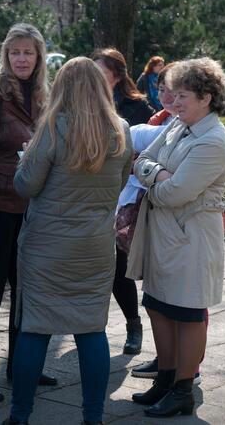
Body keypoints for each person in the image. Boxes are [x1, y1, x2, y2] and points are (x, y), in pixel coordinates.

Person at [4, 57, 133, 425]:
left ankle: (20, 416)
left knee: (35, 328)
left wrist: (23, 160)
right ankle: (92, 417)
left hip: (47, 247)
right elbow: (120, 182)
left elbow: (26, 185)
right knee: (92, 329)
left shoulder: (52, 128)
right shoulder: (120, 129)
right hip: (94, 246)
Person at [128, 58, 225, 418]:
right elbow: (141, 160)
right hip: (163, 235)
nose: (173, 102)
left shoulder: (213, 140)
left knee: (186, 314)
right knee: (158, 306)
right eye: (172, 94)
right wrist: (160, 175)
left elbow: (175, 193)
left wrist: (154, 181)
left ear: (207, 97)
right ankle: (166, 379)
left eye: (183, 95)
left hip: (191, 240)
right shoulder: (178, 126)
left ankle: (183, 389)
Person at [0, 23, 56, 403]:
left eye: (29, 52)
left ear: (38, 58)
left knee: (29, 293)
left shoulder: (45, 95)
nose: (22, 58)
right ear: (6, 55)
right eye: (15, 51)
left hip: (34, 210)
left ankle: (24, 366)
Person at [89, 48, 154, 356]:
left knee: (118, 267)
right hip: (92, 192)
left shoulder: (136, 107)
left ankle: (133, 324)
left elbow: (152, 148)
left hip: (126, 193)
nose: (95, 78)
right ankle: (91, 327)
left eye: (100, 71)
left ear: (116, 74)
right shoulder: (84, 104)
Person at [93, 48, 155, 126]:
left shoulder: (139, 107)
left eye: (102, 72)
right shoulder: (83, 103)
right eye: (93, 72)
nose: (95, 76)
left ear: (118, 76)